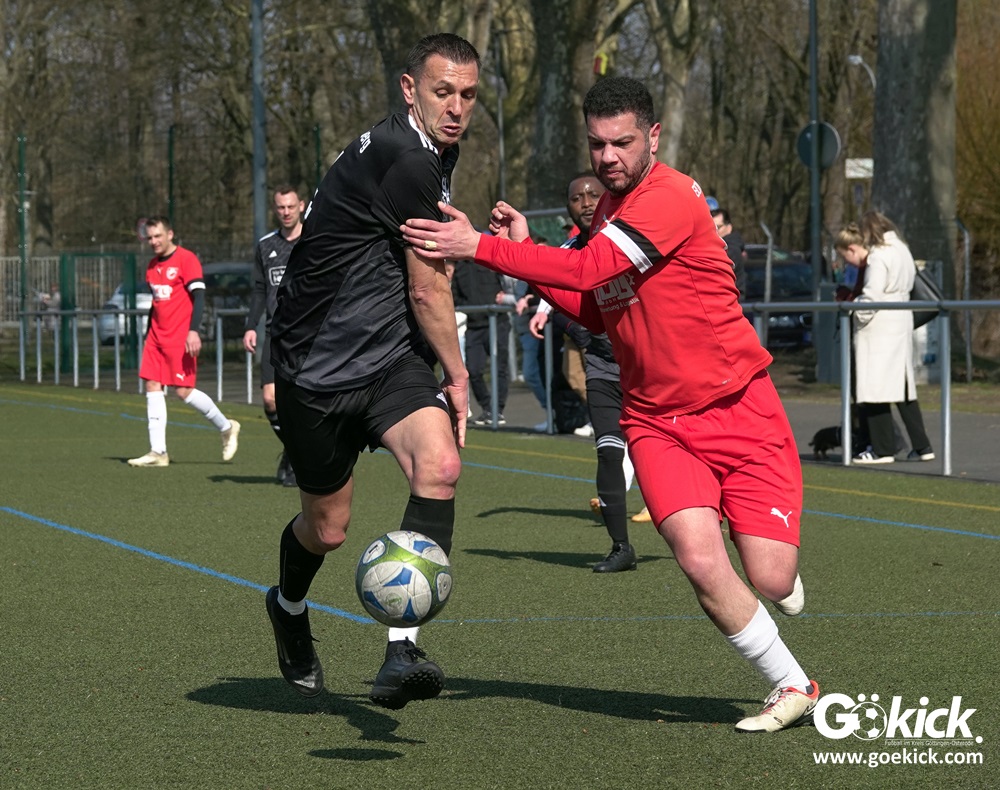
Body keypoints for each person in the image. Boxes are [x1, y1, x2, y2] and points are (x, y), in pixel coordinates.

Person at [402, 76, 818, 732]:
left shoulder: (672, 197)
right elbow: (598, 308)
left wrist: (481, 246)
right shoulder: (607, 212)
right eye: (597, 144)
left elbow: (588, 270)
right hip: (656, 420)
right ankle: (792, 684)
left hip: (738, 407)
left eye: (622, 142)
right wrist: (520, 259)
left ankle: (775, 574)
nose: (608, 157)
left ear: (653, 136)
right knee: (697, 558)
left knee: (769, 578)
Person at [264, 33, 477, 709]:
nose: (456, 107)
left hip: (388, 359)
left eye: (468, 95)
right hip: (316, 370)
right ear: (409, 89)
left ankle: (401, 650)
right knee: (327, 528)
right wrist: (459, 377)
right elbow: (426, 288)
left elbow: (411, 262)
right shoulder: (405, 157)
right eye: (443, 92)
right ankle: (288, 607)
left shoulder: (426, 150)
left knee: (439, 465)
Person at [529, 172, 638, 572]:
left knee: (669, 453)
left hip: (648, 368)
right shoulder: (568, 251)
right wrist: (581, 330)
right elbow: (552, 302)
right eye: (577, 197)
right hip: (603, 368)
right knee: (608, 451)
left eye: (594, 194)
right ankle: (621, 547)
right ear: (568, 208)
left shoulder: (628, 239)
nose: (587, 202)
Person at [127, 217, 240, 468]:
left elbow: (199, 297)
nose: (154, 241)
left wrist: (193, 331)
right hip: (156, 338)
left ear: (170, 234)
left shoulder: (186, 260)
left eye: (158, 236)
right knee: (152, 385)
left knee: (183, 391)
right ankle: (158, 452)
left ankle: (226, 427)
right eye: (150, 237)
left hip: (180, 338)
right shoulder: (151, 266)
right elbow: (157, 305)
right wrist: (148, 335)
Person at [834, 211, 934, 464]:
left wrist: (855, 312)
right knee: (903, 387)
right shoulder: (902, 249)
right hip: (901, 319)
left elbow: (872, 296)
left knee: (874, 387)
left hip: (879, 326)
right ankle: (922, 445)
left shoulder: (879, 255)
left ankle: (882, 449)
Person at [243, 185, 305, 486]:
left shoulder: (315, 240)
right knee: (270, 400)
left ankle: (298, 458)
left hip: (308, 334)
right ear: (274, 209)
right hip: (274, 333)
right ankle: (294, 452)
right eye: (281, 207)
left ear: (301, 205)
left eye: (291, 206)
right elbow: (259, 290)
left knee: (302, 402)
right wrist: (250, 325)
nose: (286, 212)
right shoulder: (265, 245)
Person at [451, 257, 512, 426]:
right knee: (473, 370)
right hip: (474, 326)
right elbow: (455, 296)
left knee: (500, 368)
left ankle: (497, 410)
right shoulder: (460, 267)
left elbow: (506, 285)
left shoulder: (490, 260)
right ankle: (487, 408)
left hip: (497, 322)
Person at [711, 207, 747, 298]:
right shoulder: (720, 247)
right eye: (712, 228)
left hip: (729, 299)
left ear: (729, 227)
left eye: (718, 227)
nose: (715, 231)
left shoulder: (731, 250)